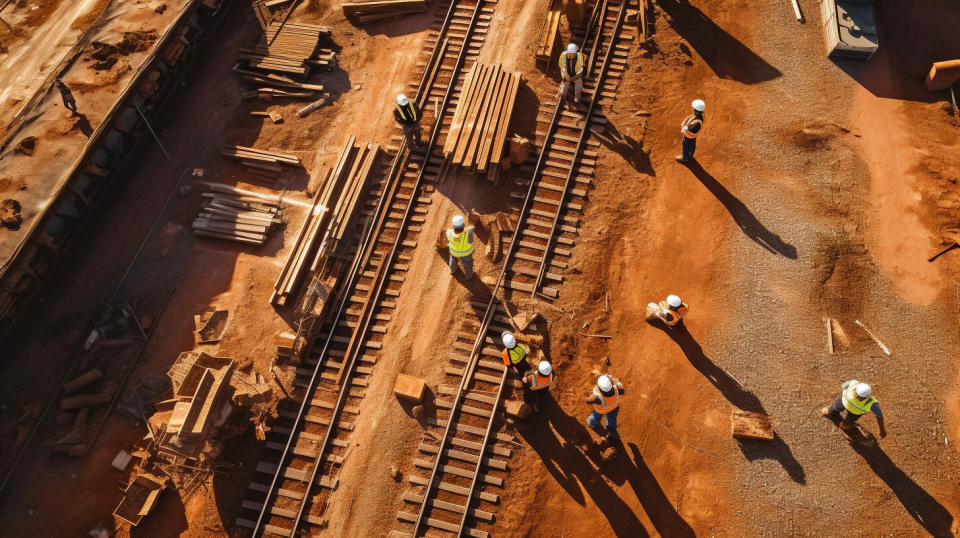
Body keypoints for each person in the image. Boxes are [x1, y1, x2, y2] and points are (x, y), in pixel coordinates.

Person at [822, 380, 887, 438]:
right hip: (849, 407)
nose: (858, 397)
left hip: (850, 408)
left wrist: (882, 430)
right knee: (838, 417)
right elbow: (879, 415)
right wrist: (882, 430)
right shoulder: (871, 402)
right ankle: (841, 421)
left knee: (840, 417)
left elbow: (879, 415)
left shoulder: (872, 403)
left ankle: (837, 418)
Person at [586, 374, 623, 441]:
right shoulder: (616, 388)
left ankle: (592, 424)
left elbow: (588, 401)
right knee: (611, 422)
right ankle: (612, 433)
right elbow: (622, 391)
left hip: (601, 410)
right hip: (614, 409)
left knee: (594, 418)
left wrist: (588, 396)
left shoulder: (597, 397)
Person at [446, 215, 474, 279]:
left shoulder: (449, 232)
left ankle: (453, 270)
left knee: (452, 262)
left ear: (453, 226)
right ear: (463, 225)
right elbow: (471, 241)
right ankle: (468, 276)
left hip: (453, 253)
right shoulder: (468, 232)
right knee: (468, 265)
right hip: (466, 255)